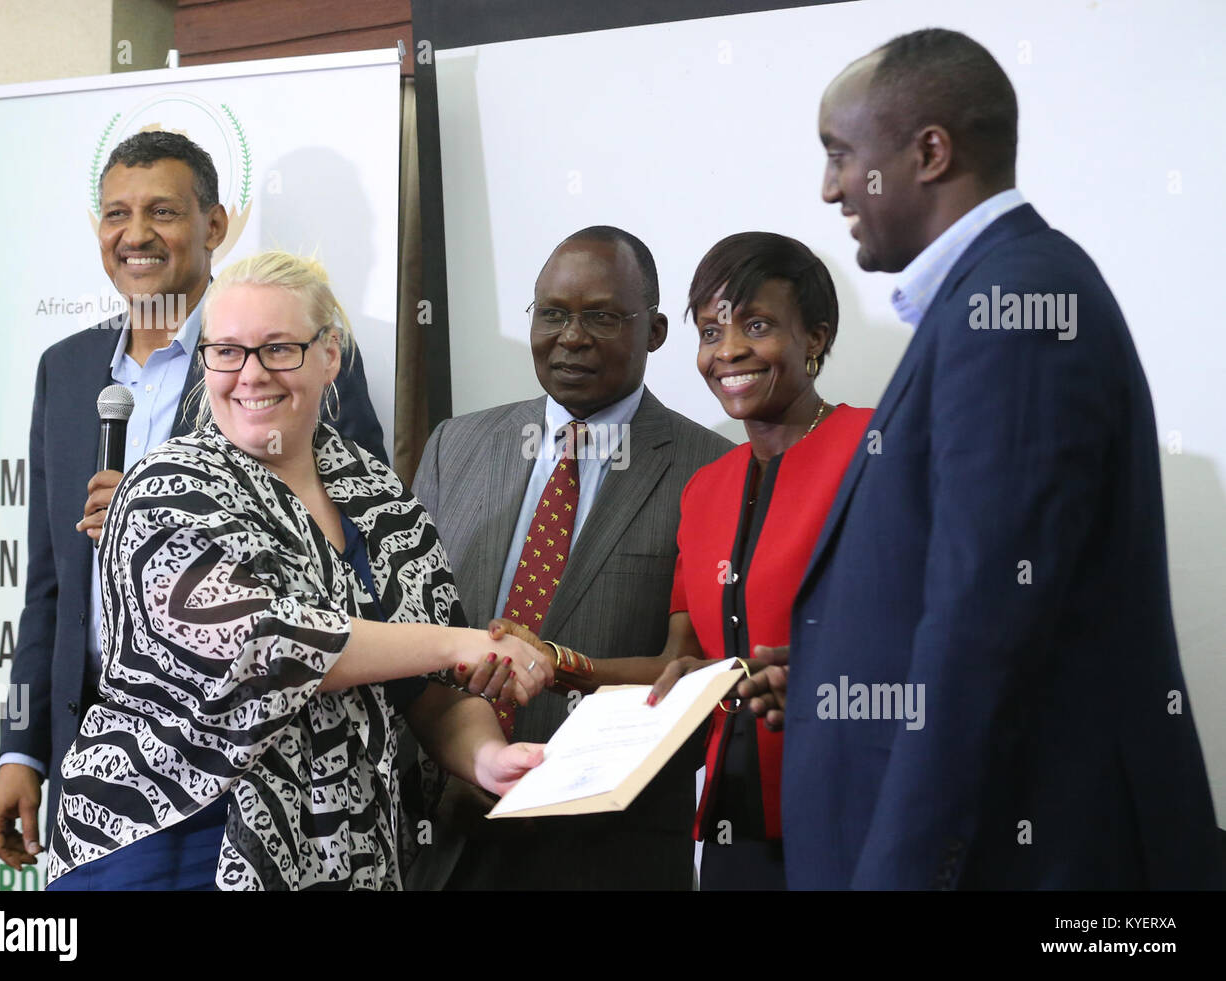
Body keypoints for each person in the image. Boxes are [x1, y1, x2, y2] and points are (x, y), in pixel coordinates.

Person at [758, 27, 1220, 889]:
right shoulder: (991, 297)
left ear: (929, 153)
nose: (828, 188)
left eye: (840, 155)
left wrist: (898, 875)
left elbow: (986, 628)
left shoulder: (1016, 303)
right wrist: (842, 669)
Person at [45, 250, 549, 890]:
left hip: (343, 857)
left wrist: (490, 758)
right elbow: (264, 647)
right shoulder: (164, 485)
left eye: (279, 348)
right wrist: (456, 642)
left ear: (330, 354)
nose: (250, 375)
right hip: (174, 846)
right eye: (226, 351)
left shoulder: (379, 494)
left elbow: (431, 690)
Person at [0, 131, 388, 875]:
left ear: (215, 226)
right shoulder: (67, 370)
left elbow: (359, 556)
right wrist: (21, 750)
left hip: (243, 776)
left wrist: (163, 518)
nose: (135, 234)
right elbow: (48, 588)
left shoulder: (287, 361)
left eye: (162, 211)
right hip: (97, 773)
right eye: (116, 213)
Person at [489, 233, 872, 889]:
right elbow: (679, 666)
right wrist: (559, 664)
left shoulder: (871, 449)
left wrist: (824, 678)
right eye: (712, 330)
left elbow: (933, 625)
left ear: (815, 337)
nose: (729, 351)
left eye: (757, 325)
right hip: (736, 821)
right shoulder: (709, 487)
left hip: (855, 804)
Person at [409, 226, 733, 890]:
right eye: (552, 313)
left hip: (611, 855)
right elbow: (409, 634)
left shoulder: (715, 471)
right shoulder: (454, 447)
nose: (572, 336)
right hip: (447, 840)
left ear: (656, 330)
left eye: (602, 317)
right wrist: (447, 773)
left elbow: (701, 682)